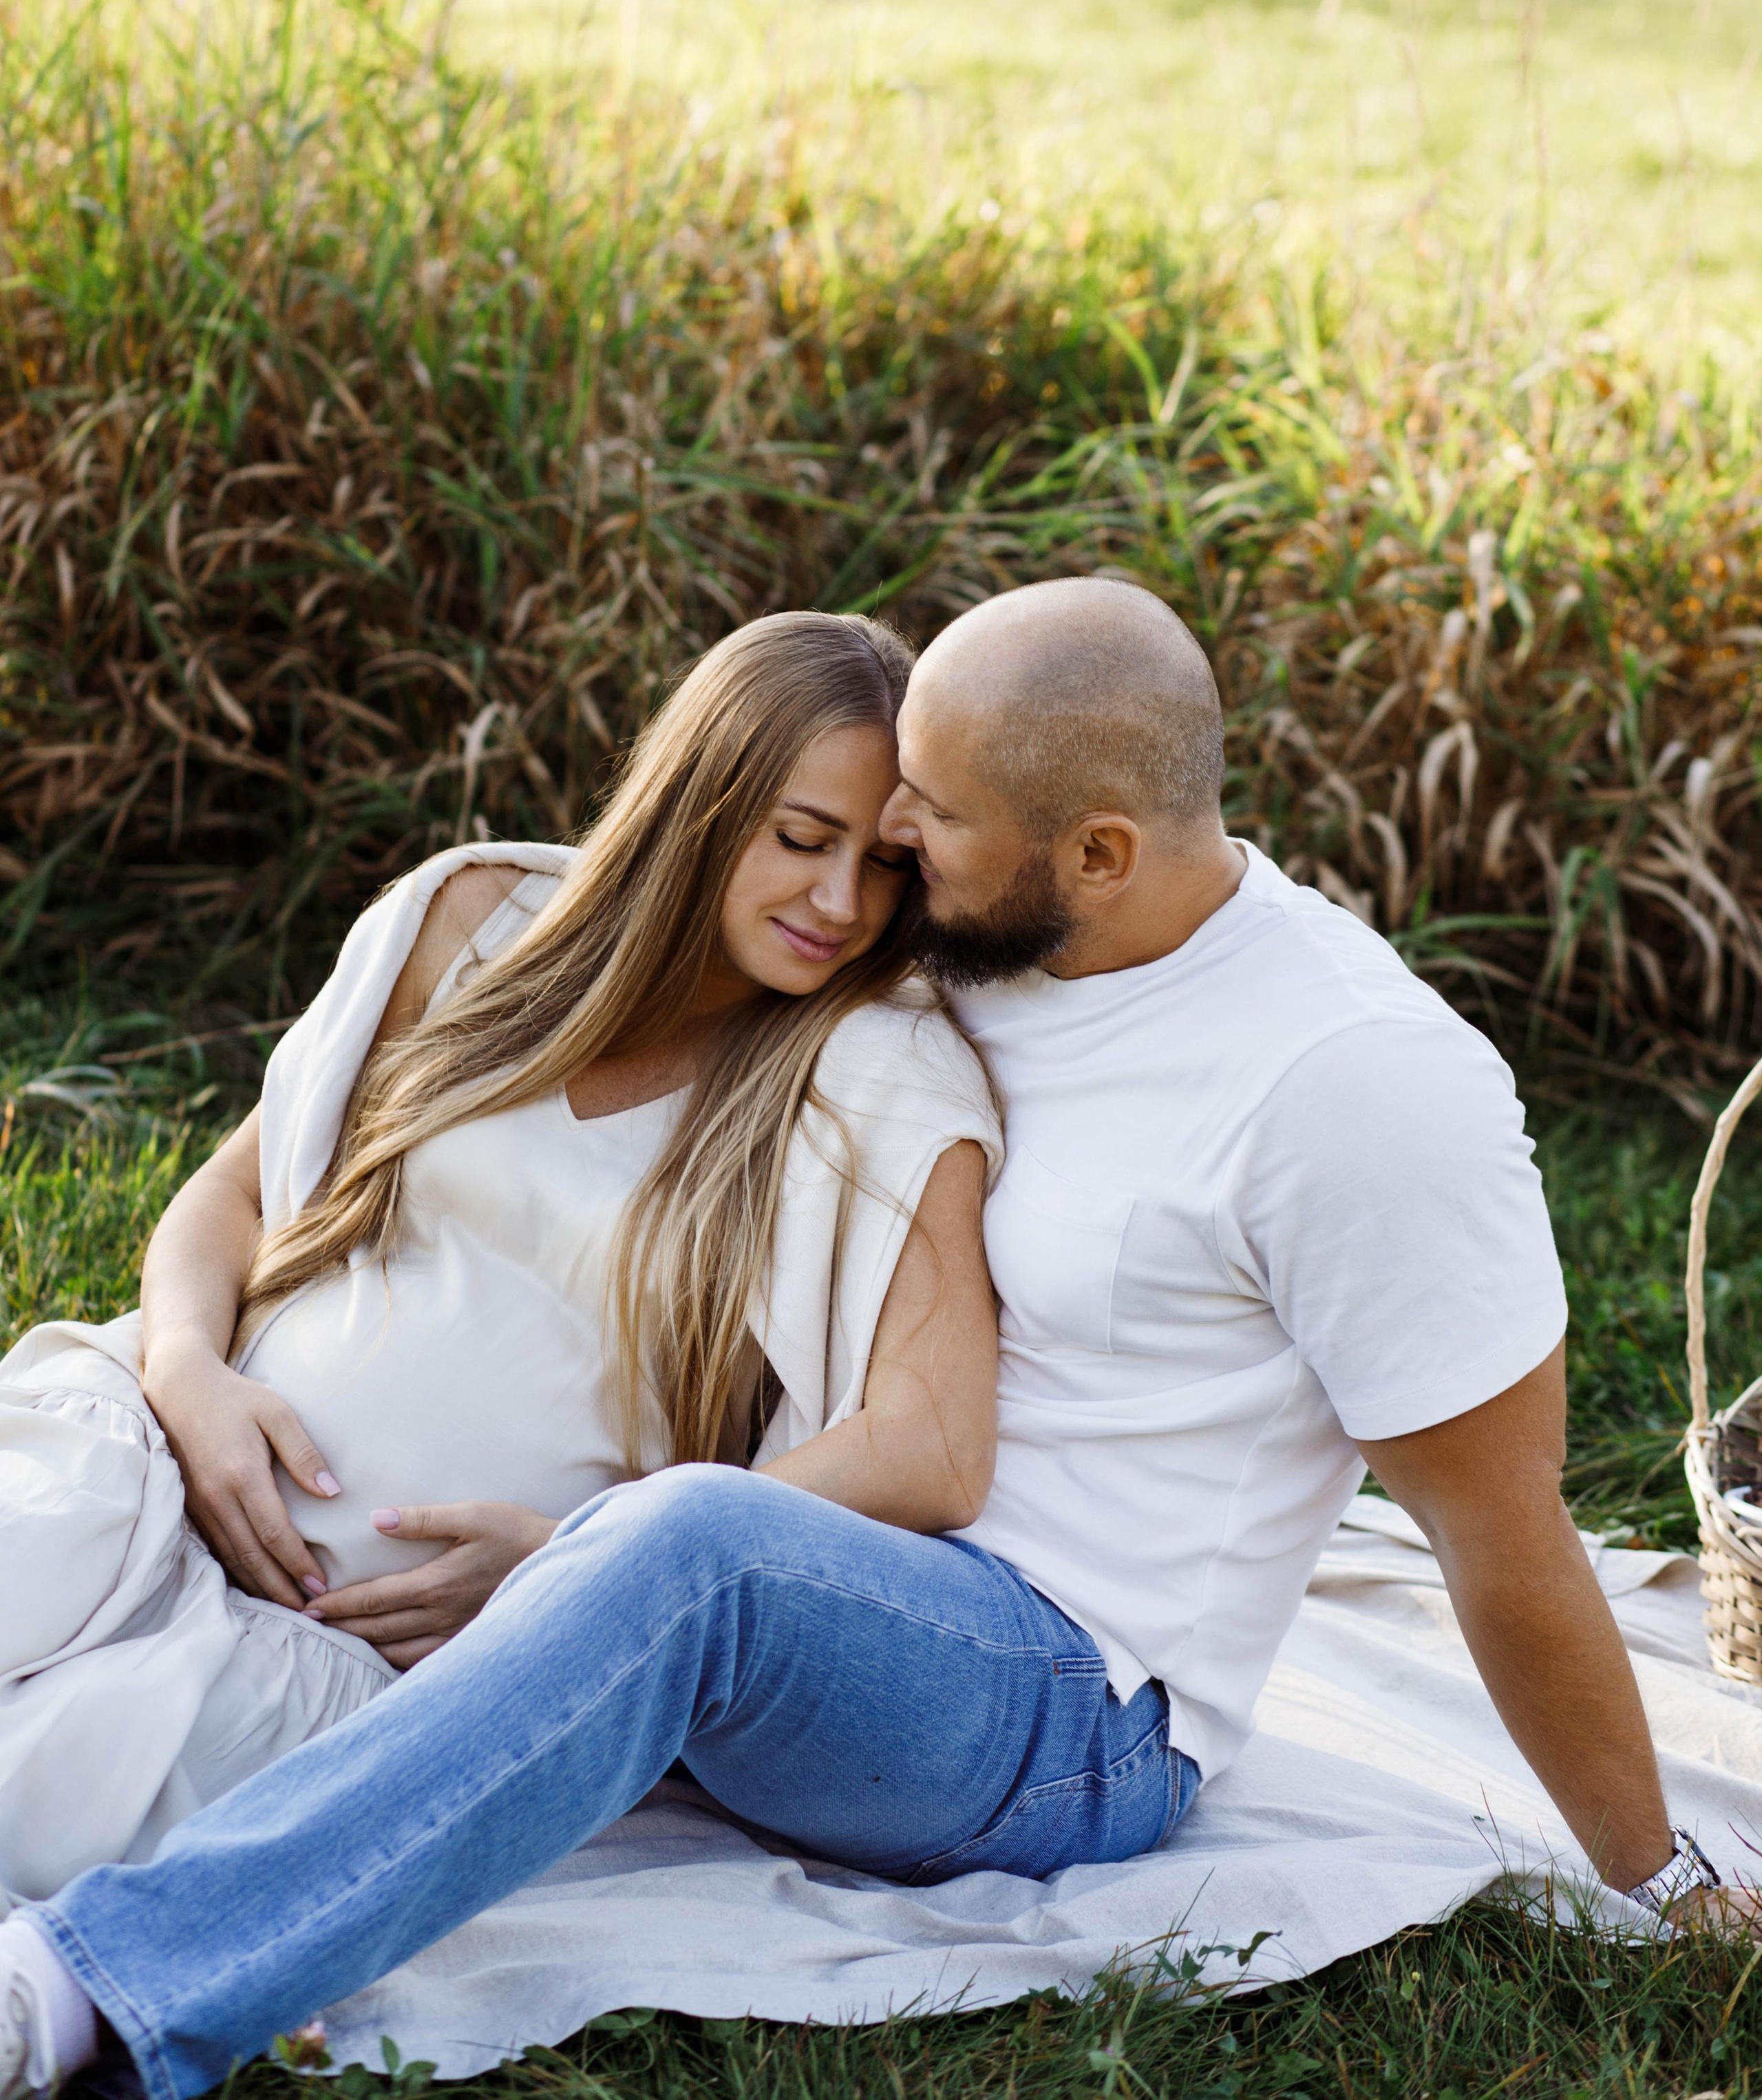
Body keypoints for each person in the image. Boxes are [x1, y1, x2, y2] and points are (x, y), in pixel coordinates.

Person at [0, 581, 1726, 2100]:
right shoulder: (987, 949)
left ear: (1098, 852)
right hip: (826, 1605)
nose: (886, 847)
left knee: (688, 1547)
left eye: (929, 819)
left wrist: (1658, 1884)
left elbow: (1495, 1527)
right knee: (671, 1551)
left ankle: (98, 1992)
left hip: (1064, 1699)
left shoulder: (1349, 1088)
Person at [0, 610, 1004, 1901]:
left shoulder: (870, 1069)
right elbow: (237, 1187)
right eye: (802, 840)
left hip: (362, 1646)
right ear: (702, 800)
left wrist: (588, 1572)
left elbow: (935, 1443)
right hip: (154, 1458)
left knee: (47, 1806)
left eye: (884, 868)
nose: (839, 904)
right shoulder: (481, 922)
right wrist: (188, 1367)